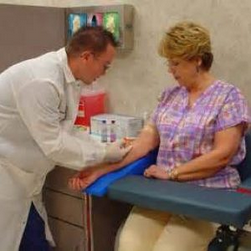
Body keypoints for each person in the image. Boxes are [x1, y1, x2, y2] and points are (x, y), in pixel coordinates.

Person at [69, 21, 251, 251]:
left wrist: (172, 173)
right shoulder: (169, 96)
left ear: (197, 59)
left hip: (208, 196)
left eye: (176, 63)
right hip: (163, 195)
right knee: (128, 245)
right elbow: (142, 145)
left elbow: (223, 155)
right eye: (169, 63)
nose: (170, 70)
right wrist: (100, 169)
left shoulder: (228, 97)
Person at [0, 26, 131, 251]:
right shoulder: (42, 81)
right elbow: (55, 145)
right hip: (7, 178)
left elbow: (67, 130)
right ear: (87, 56)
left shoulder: (69, 79)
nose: (105, 72)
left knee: (32, 238)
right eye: (105, 65)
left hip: (23, 180)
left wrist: (103, 146)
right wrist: (105, 154)